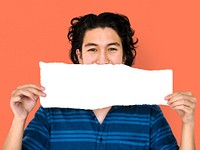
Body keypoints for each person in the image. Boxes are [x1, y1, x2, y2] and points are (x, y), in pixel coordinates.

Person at [3, 12, 196, 150]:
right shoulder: (52, 110)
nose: (102, 60)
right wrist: (19, 118)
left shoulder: (148, 112)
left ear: (124, 57)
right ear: (79, 56)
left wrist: (188, 123)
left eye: (112, 49)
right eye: (92, 49)